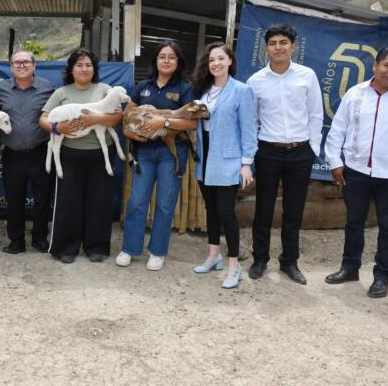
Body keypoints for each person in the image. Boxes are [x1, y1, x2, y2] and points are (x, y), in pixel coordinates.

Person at [324, 47, 388, 298]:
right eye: (387, 65)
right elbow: (338, 129)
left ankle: (382, 276)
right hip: (356, 172)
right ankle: (349, 268)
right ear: (375, 66)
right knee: (354, 222)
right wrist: (335, 161)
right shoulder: (355, 94)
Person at [246, 23, 323, 285]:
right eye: (273, 43)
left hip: (300, 153)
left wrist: (313, 149)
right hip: (268, 152)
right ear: (266, 48)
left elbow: (315, 114)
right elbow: (251, 120)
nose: (278, 47)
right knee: (263, 209)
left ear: (293, 46)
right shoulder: (255, 81)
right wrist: (254, 151)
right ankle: (260, 259)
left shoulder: (307, 76)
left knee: (294, 210)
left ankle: (289, 262)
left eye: (283, 42)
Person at [115, 40, 196, 271]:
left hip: (171, 153)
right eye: (162, 56)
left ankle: (158, 251)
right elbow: (127, 119)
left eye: (171, 57)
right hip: (144, 152)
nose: (166, 61)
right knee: (137, 201)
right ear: (156, 60)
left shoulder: (184, 88)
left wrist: (164, 121)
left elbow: (191, 123)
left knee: (164, 204)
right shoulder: (143, 87)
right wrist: (130, 132)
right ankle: (130, 248)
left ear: (178, 62)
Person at [39, 48, 124, 264]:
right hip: (69, 155)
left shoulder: (105, 89)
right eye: (79, 65)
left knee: (99, 202)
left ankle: (97, 247)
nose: (84, 69)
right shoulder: (61, 92)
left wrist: (92, 120)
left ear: (94, 68)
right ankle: (66, 247)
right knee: (69, 202)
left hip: (100, 153)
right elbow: (43, 119)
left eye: (88, 65)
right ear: (71, 69)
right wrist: (59, 128)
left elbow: (116, 118)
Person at [191, 42, 257, 288]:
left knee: (226, 212)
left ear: (230, 61)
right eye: (211, 60)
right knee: (210, 209)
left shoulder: (241, 90)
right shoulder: (204, 91)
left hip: (228, 159)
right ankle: (213, 256)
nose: (216, 63)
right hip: (205, 158)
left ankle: (233, 265)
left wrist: (246, 163)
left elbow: (249, 129)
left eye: (220, 58)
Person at [0, 50, 55, 254]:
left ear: (34, 65)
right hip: (12, 153)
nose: (21, 66)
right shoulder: (1, 89)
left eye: (25, 62)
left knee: (42, 199)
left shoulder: (47, 88)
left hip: (40, 152)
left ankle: (39, 239)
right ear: (11, 66)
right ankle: (16, 241)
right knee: (14, 199)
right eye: (16, 63)